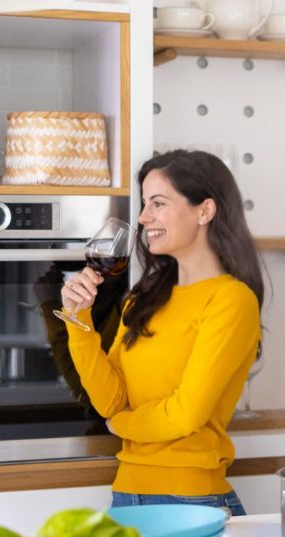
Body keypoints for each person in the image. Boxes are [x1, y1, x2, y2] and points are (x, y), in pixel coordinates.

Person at [61, 150, 263, 516]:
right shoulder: (144, 298)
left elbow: (185, 414)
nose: (142, 218)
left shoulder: (231, 300)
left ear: (205, 211)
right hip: (126, 495)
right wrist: (79, 320)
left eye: (158, 203)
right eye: (143, 204)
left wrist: (121, 424)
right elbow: (109, 401)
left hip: (192, 500)